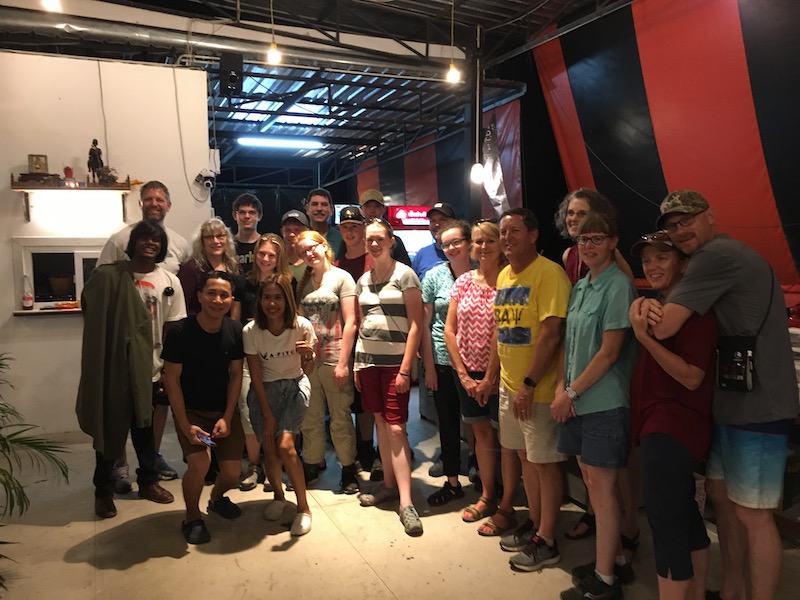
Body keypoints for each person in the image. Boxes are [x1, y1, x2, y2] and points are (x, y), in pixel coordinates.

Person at [646, 190, 799, 600]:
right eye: (672, 226)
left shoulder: (715, 256)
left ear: (710, 216)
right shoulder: (717, 257)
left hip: (760, 405)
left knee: (754, 513)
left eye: (687, 220)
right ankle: (732, 590)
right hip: (733, 401)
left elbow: (664, 326)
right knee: (723, 500)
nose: (680, 230)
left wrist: (641, 316)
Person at [552, 213, 638, 600]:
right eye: (583, 239)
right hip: (576, 402)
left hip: (603, 403)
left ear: (613, 242)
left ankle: (605, 582)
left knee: (602, 493)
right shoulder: (582, 286)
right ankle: (615, 560)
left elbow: (610, 352)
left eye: (597, 238)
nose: (588, 245)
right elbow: (569, 346)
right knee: (593, 485)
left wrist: (570, 393)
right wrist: (562, 388)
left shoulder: (619, 286)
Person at [628, 231, 717, 600]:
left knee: (666, 526)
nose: (652, 265)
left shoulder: (695, 313)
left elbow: (692, 376)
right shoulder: (662, 307)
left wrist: (643, 337)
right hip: (662, 428)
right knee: (685, 519)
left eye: (662, 257)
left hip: (672, 430)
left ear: (683, 264)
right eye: (647, 259)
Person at [77, 220, 182, 519]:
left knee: (145, 430)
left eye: (156, 240)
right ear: (133, 242)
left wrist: (167, 369)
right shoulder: (111, 276)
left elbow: (173, 327)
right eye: (144, 238)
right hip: (116, 368)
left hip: (151, 367)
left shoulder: (169, 281)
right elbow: (90, 306)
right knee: (110, 431)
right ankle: (103, 491)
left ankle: (148, 482)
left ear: (162, 247)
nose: (150, 243)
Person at [488, 208, 571, 576]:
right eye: (503, 232)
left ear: (534, 235)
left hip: (536, 390)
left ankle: (548, 540)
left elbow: (552, 335)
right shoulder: (505, 274)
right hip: (510, 386)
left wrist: (529, 384)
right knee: (525, 458)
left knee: (545, 465)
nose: (507, 238)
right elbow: (501, 331)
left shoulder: (549, 274)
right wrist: (499, 378)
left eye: (515, 231)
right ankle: (536, 526)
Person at [97, 180, 190, 484]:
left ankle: (153, 456)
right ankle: (119, 464)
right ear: (140, 203)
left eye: (160, 199)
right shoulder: (118, 239)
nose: (154, 204)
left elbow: (180, 296)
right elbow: (101, 284)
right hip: (124, 344)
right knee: (120, 409)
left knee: (156, 405)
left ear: (168, 205)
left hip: (158, 342)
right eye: (148, 198)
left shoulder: (180, 244)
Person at [161, 271, 246, 544]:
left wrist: (228, 416)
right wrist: (185, 424)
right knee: (200, 463)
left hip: (223, 411)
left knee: (232, 474)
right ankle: (192, 517)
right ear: (199, 296)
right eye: (211, 293)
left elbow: (236, 375)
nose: (217, 300)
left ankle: (216, 498)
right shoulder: (179, 332)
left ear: (231, 300)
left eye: (224, 295)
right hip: (192, 412)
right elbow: (171, 380)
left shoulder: (235, 330)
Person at [354, 219, 424, 536]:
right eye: (369, 239)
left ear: (390, 240)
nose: (373, 244)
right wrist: (357, 364)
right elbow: (361, 325)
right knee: (381, 424)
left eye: (379, 238)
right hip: (369, 363)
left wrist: (406, 369)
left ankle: (407, 503)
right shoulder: (363, 281)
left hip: (396, 364)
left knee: (396, 428)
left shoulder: (405, 275)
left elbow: (416, 325)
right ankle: (388, 485)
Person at [444, 219, 507, 524]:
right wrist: (463, 375)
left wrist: (490, 378)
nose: (483, 247)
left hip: (501, 374)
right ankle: (487, 494)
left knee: (506, 439)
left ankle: (507, 499)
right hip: (467, 373)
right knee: (481, 433)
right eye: (478, 241)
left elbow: (505, 331)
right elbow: (449, 330)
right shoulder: (464, 281)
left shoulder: (509, 280)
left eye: (490, 241)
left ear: (501, 245)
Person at [244, 274, 317, 536]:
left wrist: (309, 355)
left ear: (287, 300)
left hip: (295, 386)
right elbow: (255, 375)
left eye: (278, 297)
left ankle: (304, 508)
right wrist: (267, 414)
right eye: (267, 297)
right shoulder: (251, 331)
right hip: (264, 391)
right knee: (270, 449)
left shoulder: (302, 326)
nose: (272, 304)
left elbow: (307, 370)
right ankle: (278, 496)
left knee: (286, 447)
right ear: (260, 300)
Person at [294, 229, 360, 493]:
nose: (309, 253)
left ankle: (348, 468)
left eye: (312, 247)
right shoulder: (303, 282)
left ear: (324, 246)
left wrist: (344, 362)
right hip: (310, 360)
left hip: (334, 356)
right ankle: (311, 463)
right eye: (303, 252)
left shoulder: (342, 277)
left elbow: (351, 321)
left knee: (340, 416)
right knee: (310, 417)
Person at [421, 220, 474, 507]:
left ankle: (481, 469)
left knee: (479, 423)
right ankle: (452, 480)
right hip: (442, 359)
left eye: (457, 242)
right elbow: (425, 323)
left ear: (469, 242)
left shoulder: (483, 272)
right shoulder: (434, 276)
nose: (451, 248)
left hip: (477, 360)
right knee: (449, 421)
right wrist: (429, 367)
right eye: (445, 244)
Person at [239, 234, 296, 492]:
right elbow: (236, 318)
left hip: (281, 353)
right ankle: (255, 466)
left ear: (279, 257)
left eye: (271, 255)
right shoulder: (246, 282)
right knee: (248, 409)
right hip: (250, 351)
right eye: (261, 253)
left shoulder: (288, 282)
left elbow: (294, 316)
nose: (265, 259)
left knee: (283, 410)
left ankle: (281, 465)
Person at [335, 206, 382, 480]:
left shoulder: (374, 262)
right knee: (350, 398)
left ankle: (369, 449)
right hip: (344, 340)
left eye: (355, 226)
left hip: (373, 340)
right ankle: (356, 451)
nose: (350, 232)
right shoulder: (336, 265)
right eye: (345, 227)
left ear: (363, 228)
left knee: (369, 399)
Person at [178, 217, 243, 320]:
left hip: (227, 326)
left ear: (227, 239)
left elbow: (237, 301)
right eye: (209, 237)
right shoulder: (191, 268)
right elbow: (182, 305)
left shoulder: (235, 267)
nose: (215, 241)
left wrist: (232, 326)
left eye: (220, 236)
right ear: (201, 241)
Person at [358, 188, 411, 266]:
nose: (372, 210)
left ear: (383, 209)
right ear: (361, 209)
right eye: (368, 206)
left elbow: (405, 268)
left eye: (377, 206)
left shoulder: (396, 241)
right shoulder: (354, 239)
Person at [411, 202, 455, 280]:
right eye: (432, 221)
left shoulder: (463, 252)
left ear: (454, 223)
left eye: (442, 219)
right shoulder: (422, 254)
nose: (437, 225)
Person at [305, 188, 342, 257]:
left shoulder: (342, 240)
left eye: (324, 204)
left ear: (331, 210)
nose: (319, 209)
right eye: (315, 204)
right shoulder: (301, 238)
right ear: (307, 209)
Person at [232, 193, 263, 272]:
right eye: (242, 212)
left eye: (252, 212)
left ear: (259, 216)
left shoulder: (266, 244)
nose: (247, 216)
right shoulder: (228, 246)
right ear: (235, 215)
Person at [281, 209, 311, 281]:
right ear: (282, 232)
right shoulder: (275, 260)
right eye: (288, 230)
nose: (291, 234)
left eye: (297, 230)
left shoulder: (313, 261)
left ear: (307, 231)